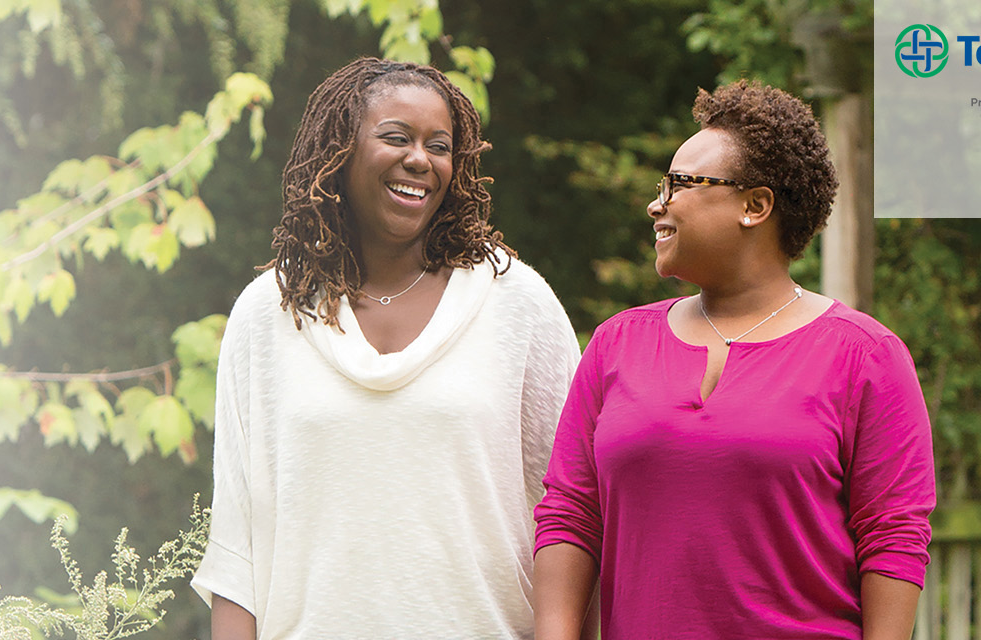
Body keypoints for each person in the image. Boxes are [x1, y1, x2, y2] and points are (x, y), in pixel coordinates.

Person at [191, 57, 581, 639]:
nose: (420, 160)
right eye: (396, 138)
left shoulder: (517, 303)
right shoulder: (266, 312)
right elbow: (237, 544)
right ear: (338, 155)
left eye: (439, 145)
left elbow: (573, 515)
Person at [531, 80, 935, 640]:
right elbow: (571, 513)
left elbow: (892, 536)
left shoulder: (865, 356)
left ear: (755, 205)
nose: (657, 203)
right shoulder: (616, 344)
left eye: (679, 185)